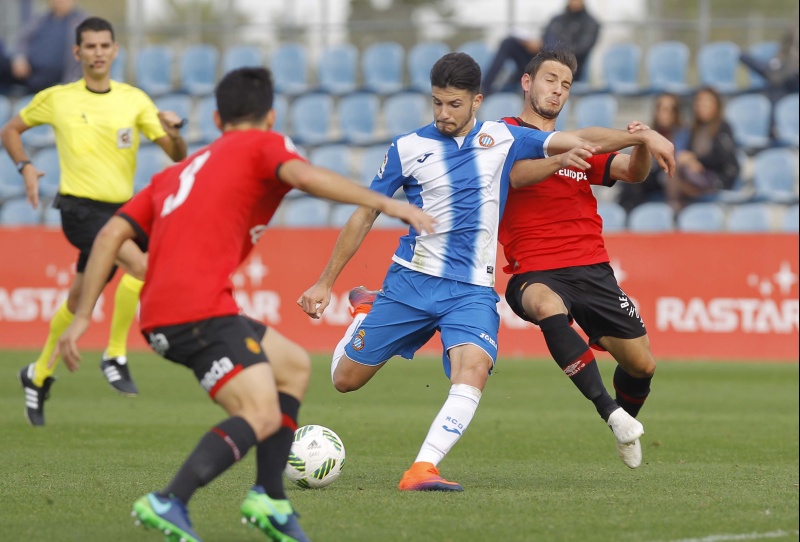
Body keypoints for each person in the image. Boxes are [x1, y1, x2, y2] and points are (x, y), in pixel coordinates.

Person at [55, 66, 434, 542]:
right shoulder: (264, 144)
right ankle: (170, 500)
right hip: (196, 311)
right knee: (260, 413)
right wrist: (390, 204)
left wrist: (84, 316)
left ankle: (270, 498)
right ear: (270, 115)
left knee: (293, 366)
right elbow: (305, 176)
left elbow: (110, 232)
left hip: (182, 310)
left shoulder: (175, 173)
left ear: (216, 117)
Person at [298, 52, 674, 491]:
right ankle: (367, 310)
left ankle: (422, 469)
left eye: (453, 104)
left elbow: (578, 138)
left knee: (475, 369)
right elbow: (364, 214)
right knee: (345, 380)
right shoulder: (408, 148)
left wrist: (644, 137)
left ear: (476, 101)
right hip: (412, 282)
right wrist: (325, 281)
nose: (443, 113)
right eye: (437, 103)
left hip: (474, 290)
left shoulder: (500, 138)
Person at [0, 16, 187, 426]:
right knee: (141, 265)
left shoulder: (134, 100)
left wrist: (173, 132)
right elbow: (10, 130)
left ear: (115, 50)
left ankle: (37, 374)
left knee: (77, 299)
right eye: (91, 47)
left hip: (122, 212)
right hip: (79, 210)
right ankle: (115, 354)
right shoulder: (58, 98)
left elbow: (176, 155)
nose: (98, 53)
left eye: (105, 46)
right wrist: (26, 167)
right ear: (78, 53)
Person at [498, 49, 670, 470]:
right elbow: (516, 176)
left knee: (642, 364)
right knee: (545, 305)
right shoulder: (503, 134)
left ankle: (626, 421)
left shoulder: (579, 144)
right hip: (535, 269)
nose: (556, 89)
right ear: (527, 82)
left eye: (565, 84)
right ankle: (610, 412)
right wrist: (561, 157)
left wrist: (644, 141)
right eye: (549, 79)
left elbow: (633, 172)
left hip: (592, 268)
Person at [482, 0, 599, 95]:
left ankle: (519, 80)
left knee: (546, 56)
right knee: (509, 42)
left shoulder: (591, 23)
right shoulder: (556, 19)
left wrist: (548, 47)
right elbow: (545, 39)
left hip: (566, 68)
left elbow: (581, 50)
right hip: (541, 60)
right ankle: (485, 88)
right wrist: (534, 44)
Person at [665, 86, 740, 213]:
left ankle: (676, 210)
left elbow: (724, 158)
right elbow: (689, 155)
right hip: (696, 174)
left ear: (716, 105)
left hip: (718, 177)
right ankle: (677, 207)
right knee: (672, 170)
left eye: (707, 102)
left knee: (677, 173)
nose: (702, 106)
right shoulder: (694, 130)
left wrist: (695, 159)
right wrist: (691, 161)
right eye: (699, 102)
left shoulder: (723, 127)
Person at [618, 93, 689, 212]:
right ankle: (627, 213)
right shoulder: (650, 133)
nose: (664, 114)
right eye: (661, 109)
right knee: (632, 175)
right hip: (652, 175)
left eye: (669, 110)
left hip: (672, 176)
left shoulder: (683, 134)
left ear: (676, 113)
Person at [0, 0, 86, 95]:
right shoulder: (41, 18)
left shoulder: (82, 22)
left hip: (55, 79)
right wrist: (20, 57)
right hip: (26, 71)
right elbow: (23, 40)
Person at [739, 19, 799, 100]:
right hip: (788, 67)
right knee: (774, 74)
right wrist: (777, 60)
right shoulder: (794, 26)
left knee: (777, 80)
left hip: (794, 73)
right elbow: (783, 49)